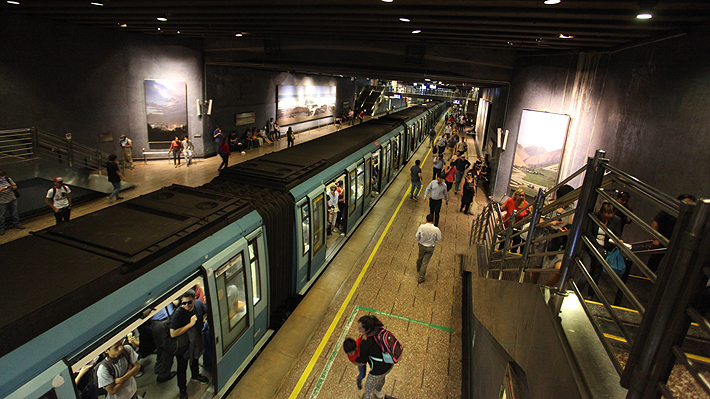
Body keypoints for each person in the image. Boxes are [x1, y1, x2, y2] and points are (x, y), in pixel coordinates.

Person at [578, 202, 623, 299]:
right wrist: (597, 247)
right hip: (590, 247)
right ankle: (576, 292)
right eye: (604, 218)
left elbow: (617, 235)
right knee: (586, 273)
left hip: (604, 251)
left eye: (609, 219)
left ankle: (590, 296)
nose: (606, 220)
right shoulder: (593, 216)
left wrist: (618, 241)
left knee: (596, 276)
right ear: (600, 212)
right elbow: (588, 233)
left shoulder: (617, 220)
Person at [170, 290, 209, 399]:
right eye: (184, 303)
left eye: (189, 302)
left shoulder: (198, 305)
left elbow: (206, 312)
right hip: (184, 345)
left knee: (195, 358)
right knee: (182, 367)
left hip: (196, 341)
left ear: (194, 300)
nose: (186, 305)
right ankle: (182, 389)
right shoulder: (178, 314)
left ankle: (195, 375)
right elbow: (173, 333)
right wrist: (190, 324)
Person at [648, 194, 696, 272]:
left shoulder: (690, 216)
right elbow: (655, 222)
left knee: (673, 263)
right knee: (655, 259)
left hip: (677, 242)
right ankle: (647, 276)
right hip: (663, 239)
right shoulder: (670, 210)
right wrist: (655, 238)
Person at [355, 315, 393, 399]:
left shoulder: (365, 343)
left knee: (368, 390)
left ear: (368, 329)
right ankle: (378, 392)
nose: (358, 329)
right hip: (389, 364)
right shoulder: (380, 330)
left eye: (361, 328)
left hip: (378, 370)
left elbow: (363, 361)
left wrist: (356, 360)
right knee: (381, 378)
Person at [150, 300, 178, 383]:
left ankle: (158, 367)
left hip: (155, 323)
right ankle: (164, 374)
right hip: (163, 323)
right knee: (168, 349)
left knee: (160, 347)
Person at [416, 214, 442, 283]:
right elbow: (438, 238)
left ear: (426, 220)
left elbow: (417, 235)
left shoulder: (422, 227)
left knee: (420, 257)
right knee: (425, 262)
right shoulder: (436, 229)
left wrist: (420, 241)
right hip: (430, 247)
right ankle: (421, 278)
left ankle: (418, 268)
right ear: (433, 221)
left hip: (422, 245)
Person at [0, 171, 23, 235]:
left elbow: (15, 186)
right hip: (1, 201)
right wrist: (1, 189)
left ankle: (17, 224)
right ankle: (1, 228)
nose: (2, 178)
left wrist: (11, 187)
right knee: (1, 215)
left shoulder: (8, 179)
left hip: (12, 198)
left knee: (14, 212)